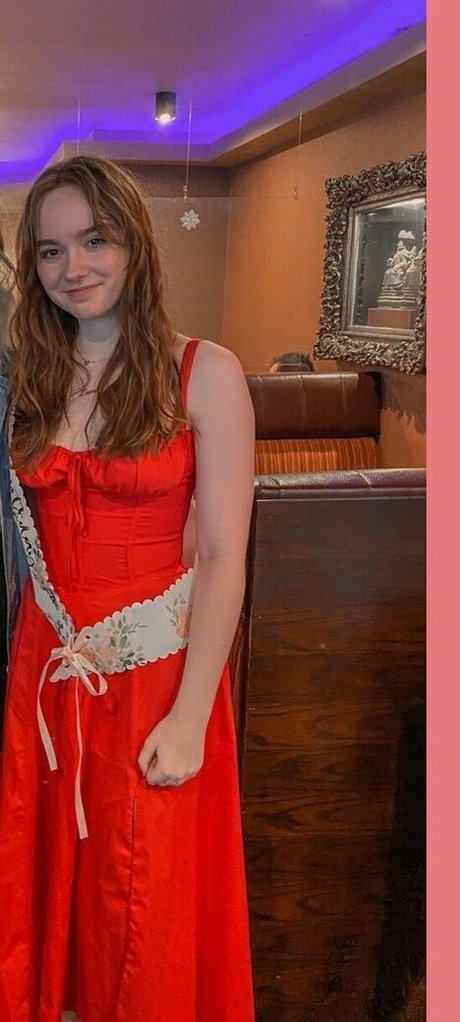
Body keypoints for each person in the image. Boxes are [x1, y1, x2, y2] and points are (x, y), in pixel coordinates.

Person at [0, 156, 255, 1022]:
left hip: (155, 681)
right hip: (45, 672)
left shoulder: (205, 372)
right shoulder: (27, 383)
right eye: (50, 251)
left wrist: (191, 716)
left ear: (135, 243)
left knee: (140, 904)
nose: (73, 267)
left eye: (94, 240)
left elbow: (222, 555)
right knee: (43, 901)